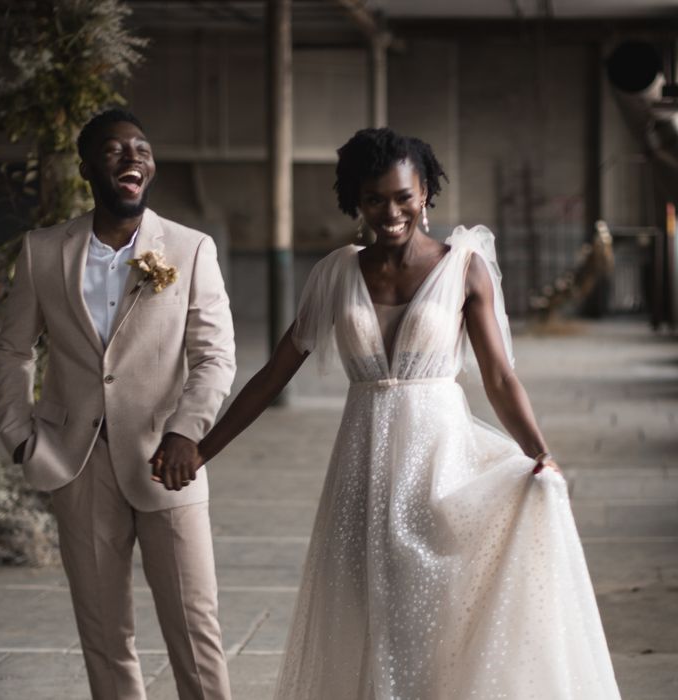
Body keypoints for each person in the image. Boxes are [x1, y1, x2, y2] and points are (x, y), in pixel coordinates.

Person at [155, 127, 621, 699]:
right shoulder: (334, 273)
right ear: (356, 199)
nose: (391, 211)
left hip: (440, 461)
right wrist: (202, 448)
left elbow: (500, 377)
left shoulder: (463, 268)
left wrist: (539, 452)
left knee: (434, 609)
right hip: (361, 466)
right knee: (363, 613)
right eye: (375, 198)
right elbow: (272, 375)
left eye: (403, 196)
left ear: (425, 192)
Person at [0, 109, 235, 700]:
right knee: (104, 635)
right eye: (114, 150)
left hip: (168, 462)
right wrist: (19, 433)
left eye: (142, 149)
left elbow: (216, 357)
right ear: (87, 168)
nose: (132, 158)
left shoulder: (189, 247)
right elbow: (13, 348)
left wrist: (187, 431)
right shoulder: (43, 251)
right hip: (76, 463)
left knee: (194, 627)